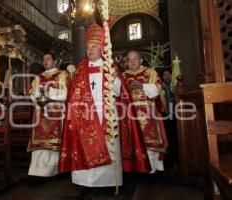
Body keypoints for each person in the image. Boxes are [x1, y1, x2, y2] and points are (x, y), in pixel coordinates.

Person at [59, 23, 150, 192]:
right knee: (84, 147)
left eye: (94, 46)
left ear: (102, 48)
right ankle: (84, 184)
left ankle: (107, 183)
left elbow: (120, 92)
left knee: (109, 146)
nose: (90, 50)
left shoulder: (110, 67)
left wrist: (114, 78)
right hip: (85, 116)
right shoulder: (80, 70)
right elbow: (73, 94)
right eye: (88, 47)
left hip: (107, 115)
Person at [122, 50, 168, 174]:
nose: (131, 62)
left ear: (141, 60)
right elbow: (118, 95)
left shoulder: (150, 72)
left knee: (149, 141)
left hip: (148, 112)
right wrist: (126, 90)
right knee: (134, 141)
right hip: (130, 113)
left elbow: (158, 90)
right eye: (129, 60)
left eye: (135, 59)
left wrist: (142, 86)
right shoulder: (123, 76)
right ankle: (137, 168)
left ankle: (151, 168)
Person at [27, 52, 68, 177]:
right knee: (40, 142)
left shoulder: (62, 74)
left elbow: (66, 93)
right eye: (43, 59)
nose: (45, 61)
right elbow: (32, 94)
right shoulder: (38, 77)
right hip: (41, 112)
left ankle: (55, 170)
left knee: (54, 142)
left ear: (54, 61)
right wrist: (37, 97)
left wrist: (49, 92)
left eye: (48, 59)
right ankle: (36, 171)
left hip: (57, 112)